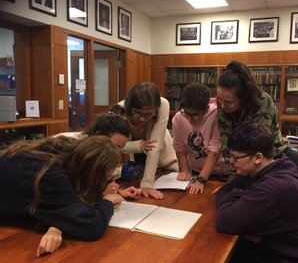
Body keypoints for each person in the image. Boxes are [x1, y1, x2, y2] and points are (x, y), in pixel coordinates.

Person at [0, 135, 141, 257]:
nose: (105, 182)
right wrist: (107, 201)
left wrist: (58, 225)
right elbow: (91, 226)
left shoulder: (66, 152)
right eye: (104, 178)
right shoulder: (53, 176)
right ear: (93, 174)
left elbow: (67, 201)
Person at [215, 122, 298, 262]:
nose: (231, 161)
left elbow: (225, 220)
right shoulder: (269, 169)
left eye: (236, 157)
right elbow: (227, 189)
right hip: (287, 250)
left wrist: (237, 195)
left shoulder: (274, 187)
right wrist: (239, 195)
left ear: (258, 158)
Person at [216, 60, 298, 199]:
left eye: (228, 102)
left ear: (244, 97)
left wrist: (236, 185)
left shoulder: (263, 103)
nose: (222, 106)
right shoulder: (223, 103)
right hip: (250, 164)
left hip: (275, 159)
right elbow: (227, 145)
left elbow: (253, 148)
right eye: (219, 99)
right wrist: (233, 183)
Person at [118, 82, 179, 199]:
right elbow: (112, 145)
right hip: (138, 168)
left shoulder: (163, 105)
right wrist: (138, 145)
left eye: (148, 114)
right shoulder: (119, 111)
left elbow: (155, 146)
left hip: (164, 167)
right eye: (137, 113)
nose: (142, 118)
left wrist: (147, 184)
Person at [172, 83, 227, 194]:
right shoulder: (178, 118)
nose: (190, 120)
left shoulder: (216, 114)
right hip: (196, 172)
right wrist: (184, 171)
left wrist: (201, 180)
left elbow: (215, 149)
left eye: (195, 115)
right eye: (186, 113)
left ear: (206, 108)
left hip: (222, 173)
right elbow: (180, 147)